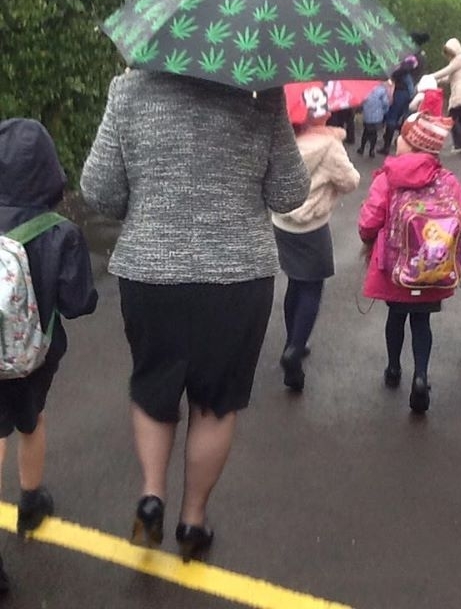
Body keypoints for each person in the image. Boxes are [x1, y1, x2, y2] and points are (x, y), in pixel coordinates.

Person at [80, 72, 309, 561]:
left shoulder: (128, 90)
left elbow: (99, 191)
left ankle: (150, 496)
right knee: (216, 403)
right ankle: (192, 522)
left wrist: (148, 200)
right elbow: (290, 193)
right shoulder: (260, 94)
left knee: (153, 384)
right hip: (237, 278)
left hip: (150, 273)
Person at [0, 118, 98, 591]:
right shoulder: (59, 232)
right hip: (32, 359)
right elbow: (79, 303)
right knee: (29, 422)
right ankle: (30, 501)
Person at [359, 112, 461, 413]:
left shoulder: (388, 178)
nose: (396, 138)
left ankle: (394, 368)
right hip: (433, 269)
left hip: (396, 269)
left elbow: (369, 221)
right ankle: (421, 376)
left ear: (411, 144)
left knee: (396, 317)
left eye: (401, 136)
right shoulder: (446, 179)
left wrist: (368, 238)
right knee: (422, 322)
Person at [272, 115, 360, 391]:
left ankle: (292, 340)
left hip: (282, 222)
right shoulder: (328, 145)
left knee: (296, 282)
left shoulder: (282, 137)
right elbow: (350, 181)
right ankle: (295, 350)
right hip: (313, 225)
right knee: (312, 287)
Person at [429, 38, 461, 155]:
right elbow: (449, 77)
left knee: (452, 118)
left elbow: (447, 71)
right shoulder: (460, 60)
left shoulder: (460, 59)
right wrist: (437, 80)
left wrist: (431, 77)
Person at [378, 54, 418, 155]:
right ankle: (401, 143)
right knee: (404, 119)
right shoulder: (414, 65)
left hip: (400, 93)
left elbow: (396, 75)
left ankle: (386, 146)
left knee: (392, 118)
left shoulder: (403, 68)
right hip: (409, 95)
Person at [357, 82, 390, 158]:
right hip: (378, 115)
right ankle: (371, 150)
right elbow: (385, 103)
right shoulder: (382, 90)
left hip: (367, 114)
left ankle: (362, 148)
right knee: (374, 133)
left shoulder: (365, 89)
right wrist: (384, 111)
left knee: (366, 131)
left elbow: (361, 101)